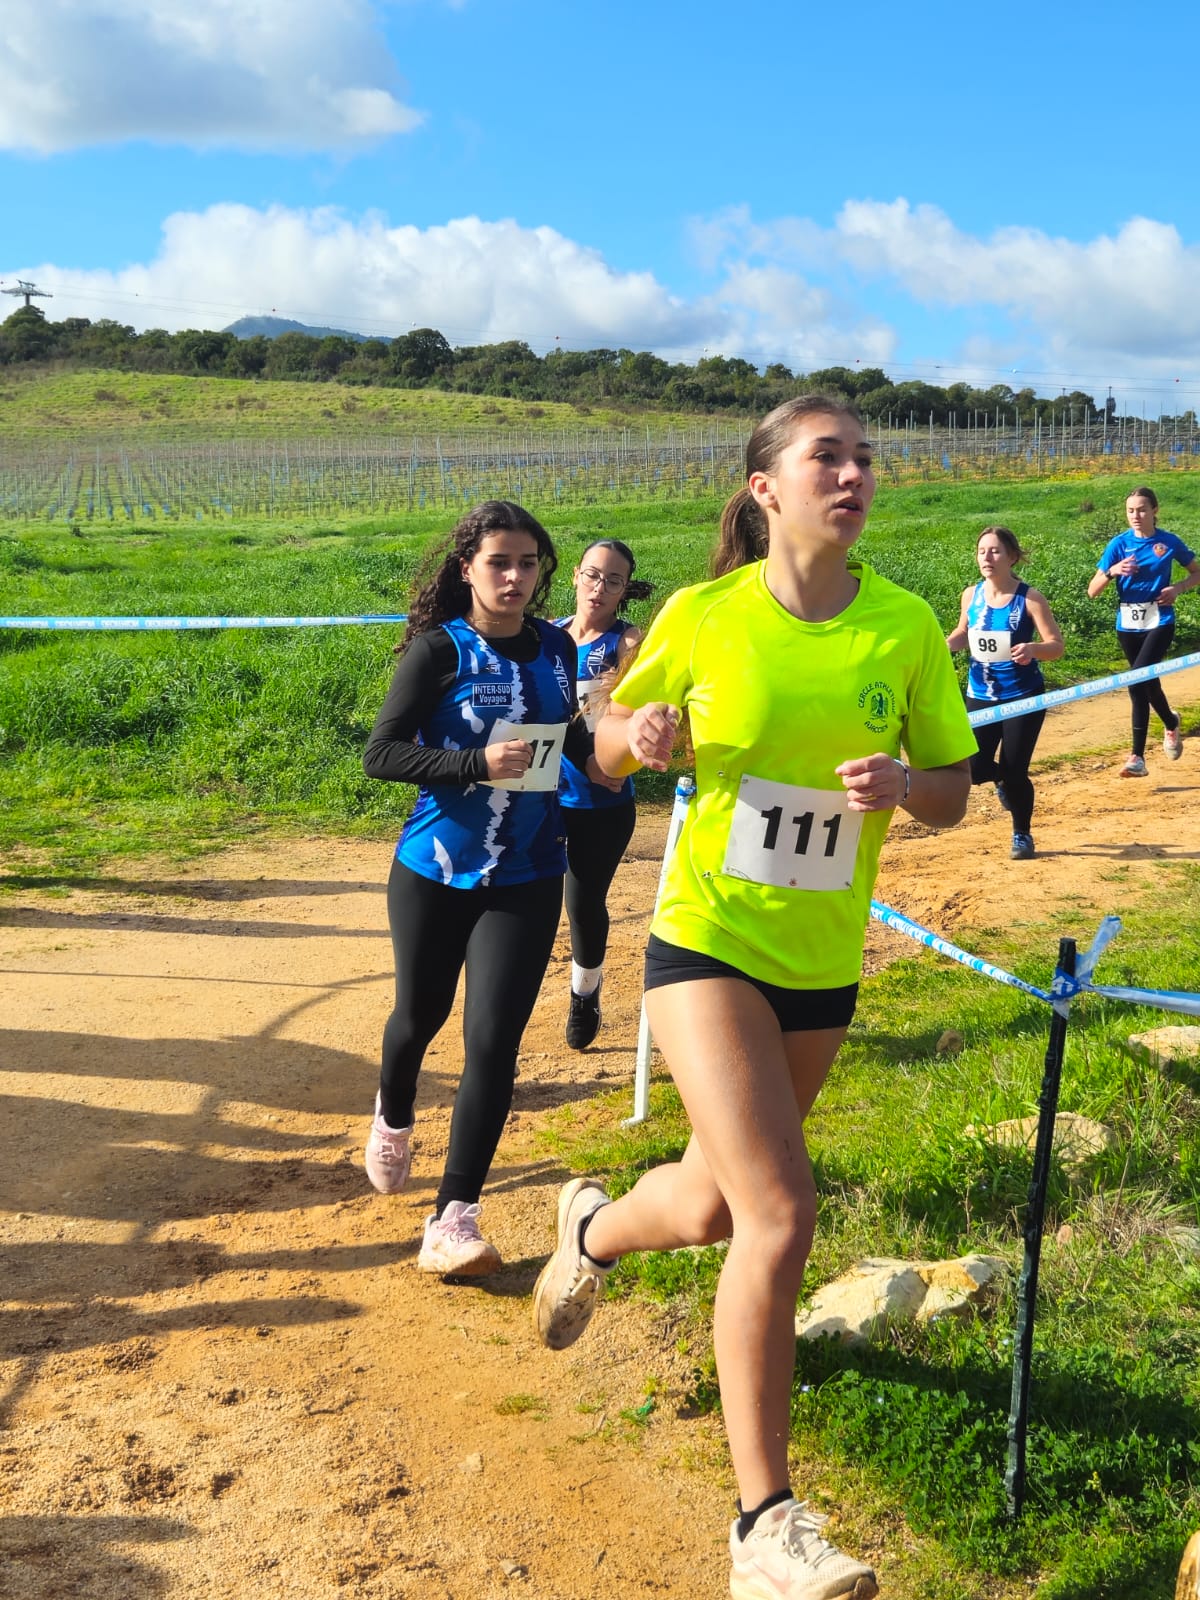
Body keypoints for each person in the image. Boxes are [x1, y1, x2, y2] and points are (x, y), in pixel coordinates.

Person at [531, 397, 976, 1600]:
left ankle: (588, 1229)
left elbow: (957, 792)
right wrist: (643, 730)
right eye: (826, 456)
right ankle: (764, 1524)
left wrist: (904, 785)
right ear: (765, 487)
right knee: (782, 1211)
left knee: (719, 1207)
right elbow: (603, 740)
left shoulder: (904, 627)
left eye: (865, 459)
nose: (855, 474)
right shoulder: (706, 614)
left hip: (823, 958)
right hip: (708, 943)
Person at [361, 499, 608, 1277]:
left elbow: (570, 739)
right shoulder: (439, 652)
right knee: (418, 1016)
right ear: (466, 567)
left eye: (528, 564)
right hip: (435, 868)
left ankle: (452, 1217)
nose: (514, 577)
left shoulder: (557, 649)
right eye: (499, 562)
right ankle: (394, 1110)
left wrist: (618, 753)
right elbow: (382, 754)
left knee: (493, 1043)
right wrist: (473, 765)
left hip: (530, 871)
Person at [554, 539, 654, 1048]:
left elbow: (640, 715)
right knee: (530, 901)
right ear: (576, 576)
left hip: (600, 800)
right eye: (593, 575)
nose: (599, 588)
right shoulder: (546, 635)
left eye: (613, 581)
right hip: (540, 794)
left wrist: (619, 756)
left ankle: (585, 989)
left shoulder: (627, 643)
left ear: (623, 590)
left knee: (583, 902)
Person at [946, 525, 1063, 860]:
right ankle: (1000, 780)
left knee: (1016, 771)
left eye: (995, 551)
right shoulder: (971, 595)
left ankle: (1022, 834)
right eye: (982, 551)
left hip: (1021, 698)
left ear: (1012, 557)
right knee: (973, 767)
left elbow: (1056, 646)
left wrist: (1033, 649)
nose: (987, 557)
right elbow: (962, 632)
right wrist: (944, 647)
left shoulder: (1030, 598)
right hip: (980, 694)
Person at [1087, 486, 1200, 777]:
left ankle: (1136, 757)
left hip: (1159, 620)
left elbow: (1196, 572)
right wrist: (1113, 571)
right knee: (1147, 682)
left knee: (1137, 681)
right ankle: (1171, 722)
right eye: (1130, 510)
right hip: (1128, 623)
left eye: (1141, 510)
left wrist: (1178, 588)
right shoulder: (1118, 545)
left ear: (1154, 511)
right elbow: (1092, 591)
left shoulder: (1168, 542)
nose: (1135, 516)